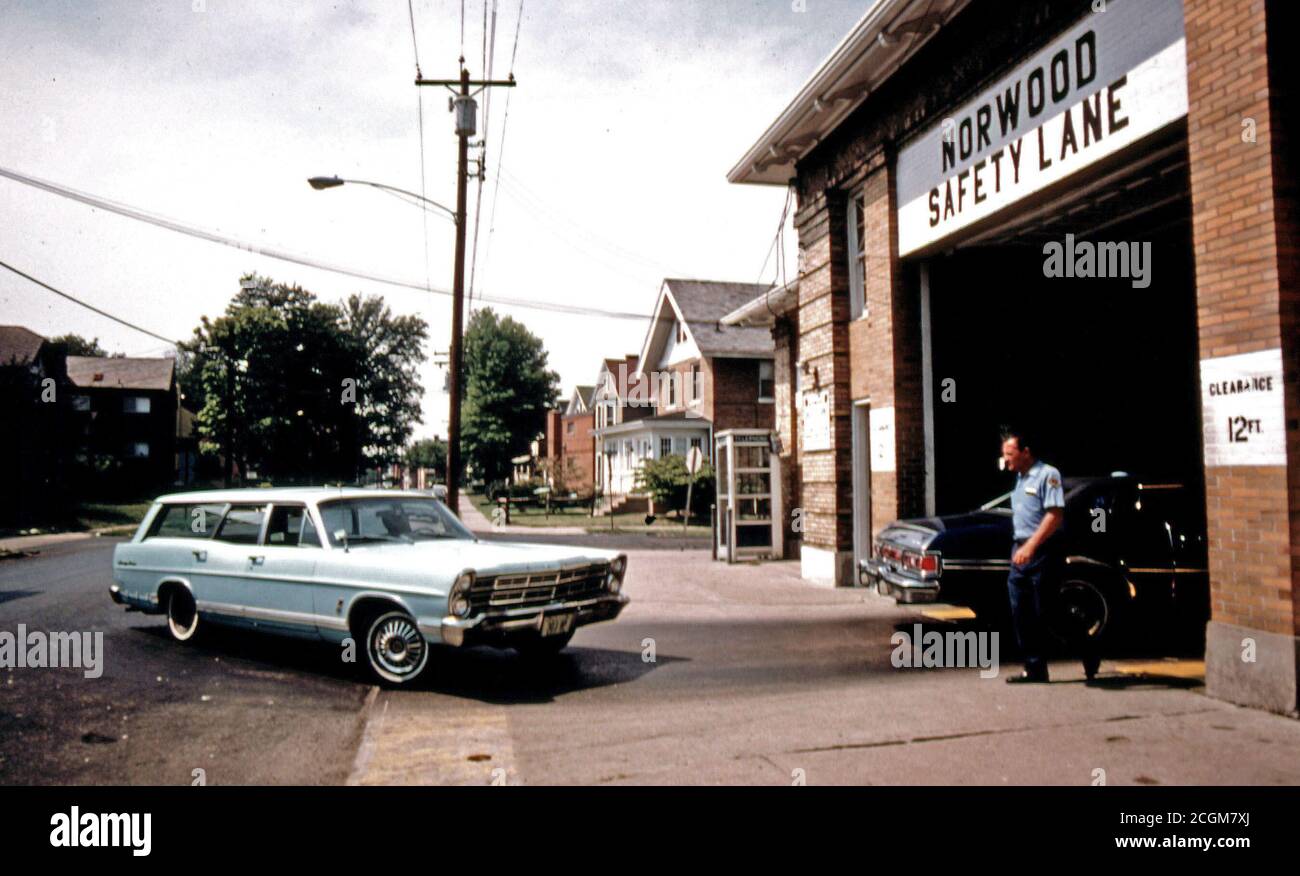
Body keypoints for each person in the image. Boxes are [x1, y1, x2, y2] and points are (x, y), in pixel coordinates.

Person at [1000, 428, 1100, 684]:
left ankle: (1087, 649)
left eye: (1010, 454)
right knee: (1020, 610)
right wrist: (1020, 547)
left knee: (1049, 611)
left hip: (1042, 551)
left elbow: (1054, 515)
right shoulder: (1020, 478)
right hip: (1020, 551)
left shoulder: (1048, 475)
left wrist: (1031, 546)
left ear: (1026, 452)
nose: (1006, 460)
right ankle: (1034, 668)